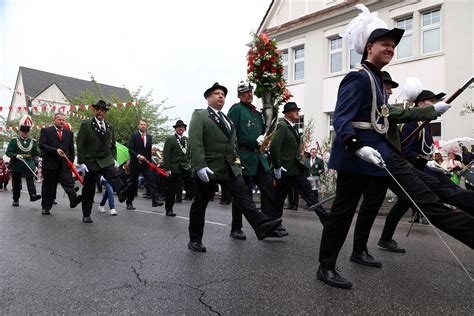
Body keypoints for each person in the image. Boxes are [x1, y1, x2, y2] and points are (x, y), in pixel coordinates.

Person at [317, 6, 474, 289]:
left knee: (426, 199)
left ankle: (358, 250)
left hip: (383, 152)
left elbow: (390, 114)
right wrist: (356, 147)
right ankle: (326, 266)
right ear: (368, 48)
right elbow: (342, 119)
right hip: (359, 156)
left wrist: (431, 111)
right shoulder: (359, 77)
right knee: (344, 210)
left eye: (393, 46)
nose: (390, 49)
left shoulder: (376, 79)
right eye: (385, 44)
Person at [187, 82, 282, 252]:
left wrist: (237, 164)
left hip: (229, 166)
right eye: (216, 93)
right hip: (210, 167)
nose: (220, 96)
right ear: (208, 98)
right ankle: (195, 239)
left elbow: (233, 144)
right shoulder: (200, 115)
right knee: (200, 203)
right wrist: (200, 165)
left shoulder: (227, 119)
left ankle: (262, 225)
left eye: (223, 94)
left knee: (244, 196)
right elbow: (195, 142)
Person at [378, 89, 474, 252]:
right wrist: (425, 162)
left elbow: (427, 149)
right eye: (432, 102)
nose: (435, 105)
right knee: (410, 202)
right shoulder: (413, 124)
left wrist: (433, 162)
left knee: (403, 204)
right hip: (413, 170)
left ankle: (385, 238)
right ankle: (384, 238)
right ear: (421, 104)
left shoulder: (426, 125)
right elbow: (407, 152)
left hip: (422, 169)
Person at [227, 80, 283, 239]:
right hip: (243, 157)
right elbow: (231, 135)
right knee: (241, 195)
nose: (249, 94)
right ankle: (236, 228)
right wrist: (251, 142)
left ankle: (268, 224)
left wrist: (265, 141)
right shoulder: (236, 110)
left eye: (250, 92)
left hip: (258, 157)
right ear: (239, 95)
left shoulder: (257, 113)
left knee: (268, 189)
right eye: (245, 92)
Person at [269, 102, 329, 231]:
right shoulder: (282, 126)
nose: (297, 112)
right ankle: (275, 224)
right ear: (287, 113)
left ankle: (325, 218)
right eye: (294, 110)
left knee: (309, 194)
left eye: (297, 110)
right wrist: (277, 166)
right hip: (285, 171)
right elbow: (274, 147)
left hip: (295, 170)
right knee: (279, 199)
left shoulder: (294, 128)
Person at [76, 100, 129, 223]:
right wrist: (81, 162)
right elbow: (80, 143)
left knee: (114, 175)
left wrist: (114, 158)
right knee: (89, 189)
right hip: (91, 161)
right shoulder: (86, 124)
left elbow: (113, 144)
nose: (100, 111)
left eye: (102, 110)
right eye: (98, 109)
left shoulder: (110, 126)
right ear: (94, 110)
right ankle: (86, 214)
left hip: (105, 158)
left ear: (105, 112)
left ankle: (121, 193)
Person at [38, 113, 82, 215]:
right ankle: (46, 207)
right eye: (59, 119)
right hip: (50, 164)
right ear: (54, 120)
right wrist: (55, 150)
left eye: (63, 120)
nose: (61, 121)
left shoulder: (69, 133)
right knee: (49, 187)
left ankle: (73, 200)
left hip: (64, 164)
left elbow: (71, 150)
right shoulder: (46, 131)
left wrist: (70, 161)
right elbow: (42, 145)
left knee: (68, 183)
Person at [126, 118, 163, 210]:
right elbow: (130, 149)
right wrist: (138, 156)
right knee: (132, 183)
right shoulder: (134, 136)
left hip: (146, 164)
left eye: (144, 125)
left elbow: (148, 151)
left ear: (147, 126)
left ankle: (155, 200)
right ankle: (129, 202)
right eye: (141, 124)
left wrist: (150, 162)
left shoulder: (149, 137)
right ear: (139, 126)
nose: (143, 126)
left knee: (151, 180)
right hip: (135, 164)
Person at [5, 115, 41, 206]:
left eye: (27, 132)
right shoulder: (14, 141)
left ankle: (33, 195)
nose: (25, 133)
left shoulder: (32, 141)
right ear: (20, 131)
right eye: (24, 132)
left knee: (30, 178)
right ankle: (16, 199)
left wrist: (36, 163)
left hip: (29, 162)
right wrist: (15, 155)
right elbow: (8, 152)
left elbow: (36, 153)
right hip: (17, 163)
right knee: (16, 183)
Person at [163, 120, 192, 217]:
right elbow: (166, 155)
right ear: (175, 129)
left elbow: (189, 154)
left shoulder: (187, 140)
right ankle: (169, 209)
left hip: (185, 168)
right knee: (171, 190)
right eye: (178, 127)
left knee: (192, 184)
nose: (180, 128)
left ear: (184, 129)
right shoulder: (170, 139)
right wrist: (167, 169)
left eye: (182, 127)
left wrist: (190, 165)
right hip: (174, 168)